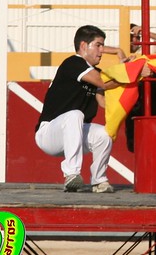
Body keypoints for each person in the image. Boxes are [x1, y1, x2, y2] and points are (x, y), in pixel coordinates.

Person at [35, 25, 148, 194]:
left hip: (74, 133)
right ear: (83, 46)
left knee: (104, 134)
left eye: (103, 46)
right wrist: (134, 73)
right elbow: (103, 82)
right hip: (49, 134)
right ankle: (72, 174)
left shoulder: (94, 72)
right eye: (98, 45)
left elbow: (103, 102)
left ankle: (99, 181)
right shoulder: (73, 62)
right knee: (75, 114)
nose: (102, 51)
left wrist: (128, 69)